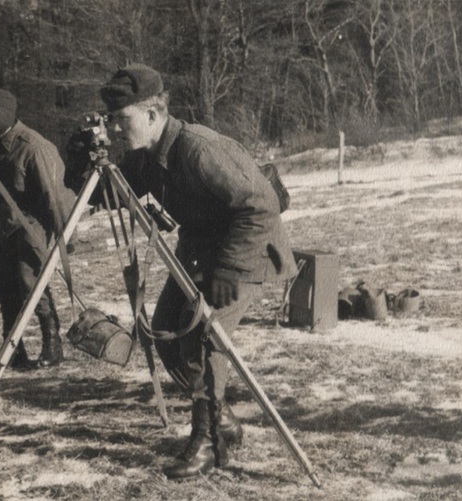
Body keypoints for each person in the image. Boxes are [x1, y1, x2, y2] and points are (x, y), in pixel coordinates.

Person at [98, 64, 299, 479]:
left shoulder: (199, 148)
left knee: (206, 339)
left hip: (246, 248)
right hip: (199, 250)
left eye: (122, 119)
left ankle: (207, 442)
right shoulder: (144, 156)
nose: (116, 129)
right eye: (111, 120)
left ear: (152, 115)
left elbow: (261, 205)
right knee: (166, 332)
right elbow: (110, 195)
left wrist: (230, 268)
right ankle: (220, 414)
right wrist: (83, 162)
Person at [0, 88, 74, 369]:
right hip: (5, 220)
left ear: (2, 113)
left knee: (29, 278)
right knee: (1, 280)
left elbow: (54, 195)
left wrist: (67, 237)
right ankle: (13, 347)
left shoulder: (33, 146)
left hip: (33, 221)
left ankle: (52, 343)